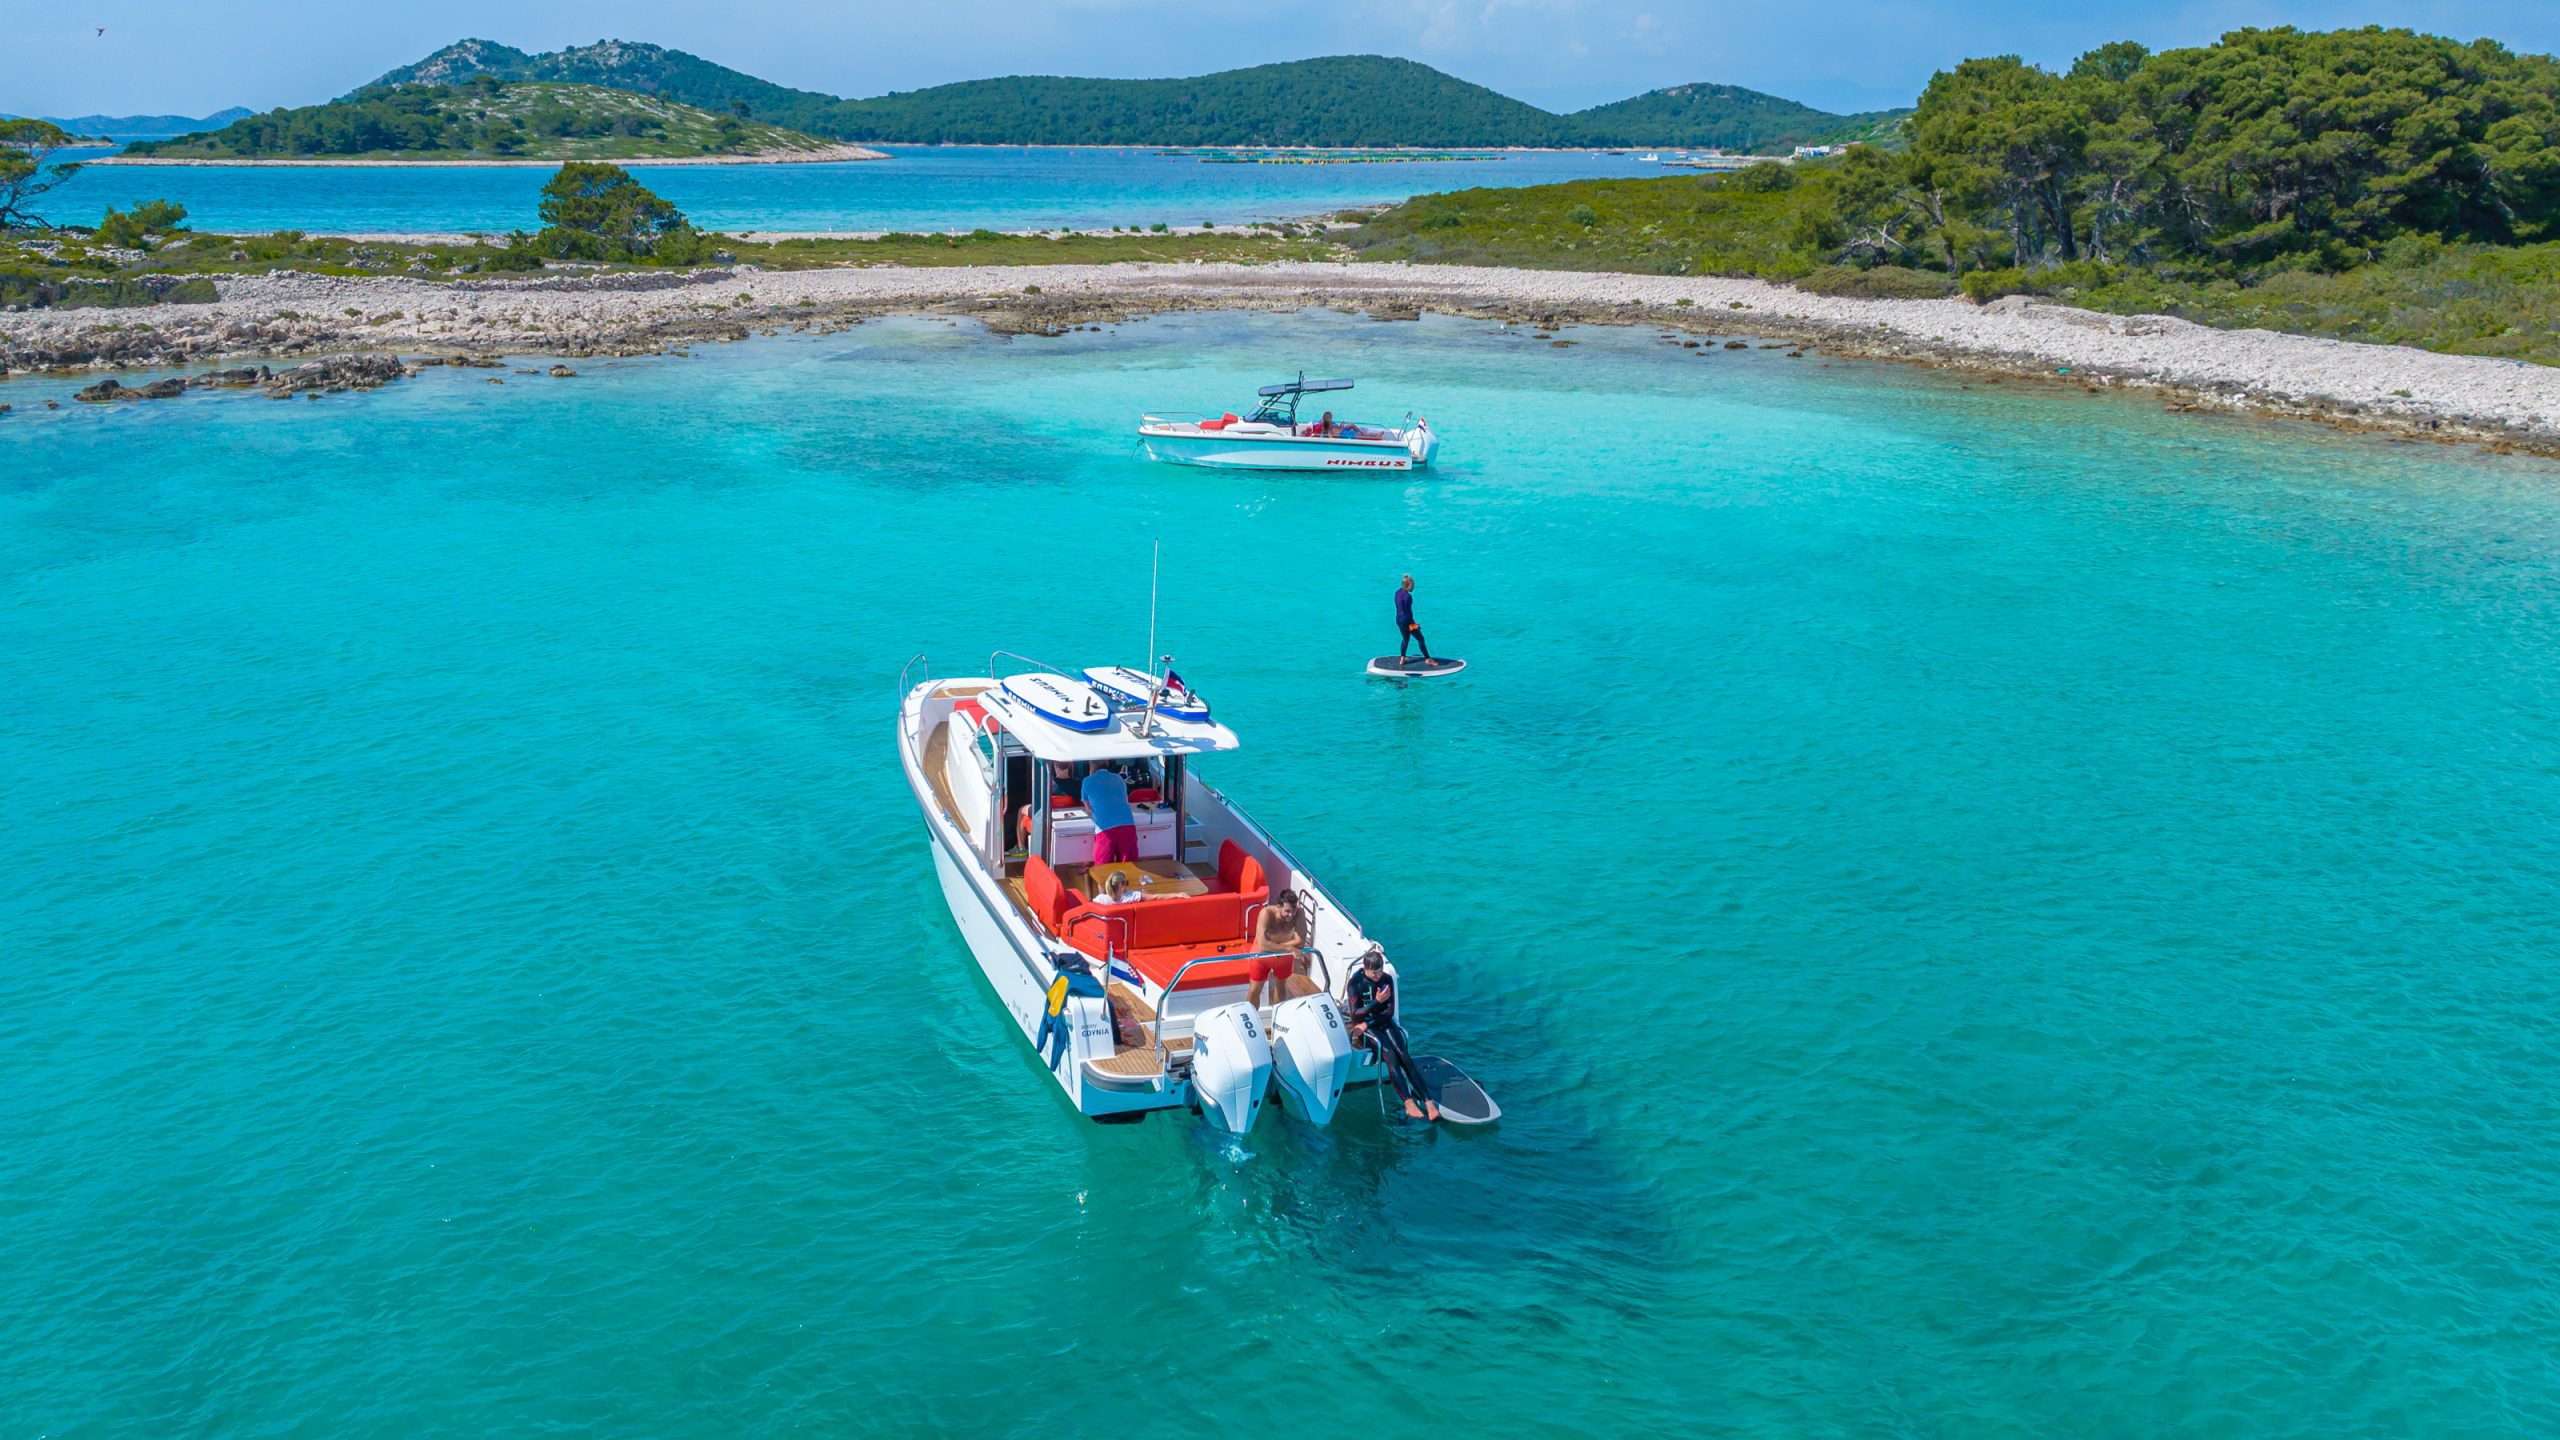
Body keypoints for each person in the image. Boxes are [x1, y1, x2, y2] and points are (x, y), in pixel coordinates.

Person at [1345, 946, 1437, 1121]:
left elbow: (1389, 1012)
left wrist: (1369, 1021)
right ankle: (1408, 1103)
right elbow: (1355, 1014)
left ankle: (1428, 1101)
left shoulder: (1386, 980)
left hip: (1378, 1021)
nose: (1378, 976)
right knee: (1389, 1054)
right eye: (1374, 974)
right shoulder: (1355, 983)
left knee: (1404, 1055)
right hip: (1365, 1026)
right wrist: (1376, 1002)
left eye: (1379, 972)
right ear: (1365, 970)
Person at [1248, 889, 1314, 1012]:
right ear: (1279, 907)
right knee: (1254, 990)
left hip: (1284, 957)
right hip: (1262, 957)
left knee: (1281, 986)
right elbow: (1263, 946)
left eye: (1293, 911)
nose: (1291, 915)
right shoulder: (1266, 914)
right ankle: (1251, 1019)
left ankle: (1278, 1018)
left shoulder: (1299, 913)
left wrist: (1275, 946)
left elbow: (1300, 942)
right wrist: (1289, 947)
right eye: (1287, 911)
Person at [1082, 763, 1139, 866]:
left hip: (1105, 829)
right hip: (1127, 825)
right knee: (1130, 867)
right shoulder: (1118, 778)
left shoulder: (1087, 781)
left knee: (1102, 870)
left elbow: (1088, 809)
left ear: (1091, 766)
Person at [1394, 574, 1431, 662]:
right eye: (1412, 585)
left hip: (1399, 620)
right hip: (1407, 621)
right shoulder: (1408, 597)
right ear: (1407, 586)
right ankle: (1428, 659)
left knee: (1405, 639)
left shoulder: (1397, 593)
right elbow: (1408, 612)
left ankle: (1402, 658)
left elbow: (1399, 608)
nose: (1413, 587)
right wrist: (1414, 624)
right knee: (1421, 639)